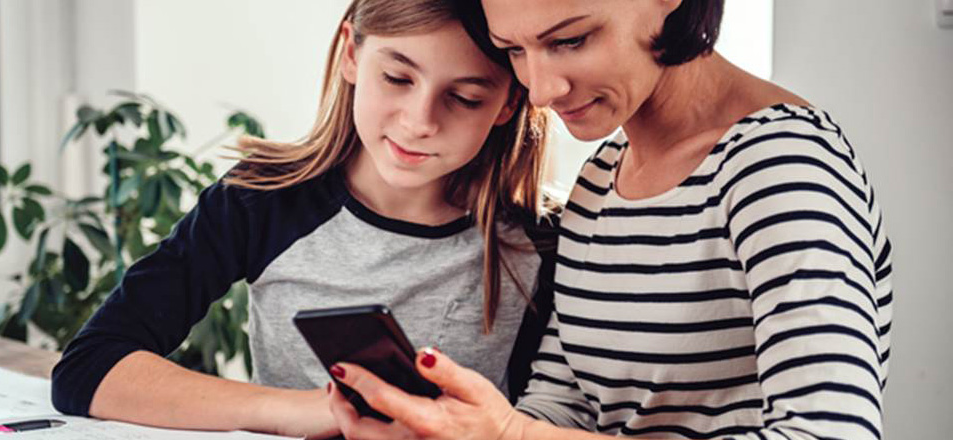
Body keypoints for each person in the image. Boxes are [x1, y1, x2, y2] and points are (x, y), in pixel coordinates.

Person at [327, 1, 894, 439]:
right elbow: (563, 403)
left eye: (570, 40)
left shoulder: (780, 166)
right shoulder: (601, 181)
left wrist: (514, 433)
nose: (541, 90)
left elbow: (828, 430)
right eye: (515, 51)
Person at [49, 0, 561, 438]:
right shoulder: (259, 203)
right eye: (397, 77)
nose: (419, 121)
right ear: (352, 53)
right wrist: (315, 411)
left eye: (465, 98)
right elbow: (90, 367)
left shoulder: (543, 240)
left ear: (509, 101)